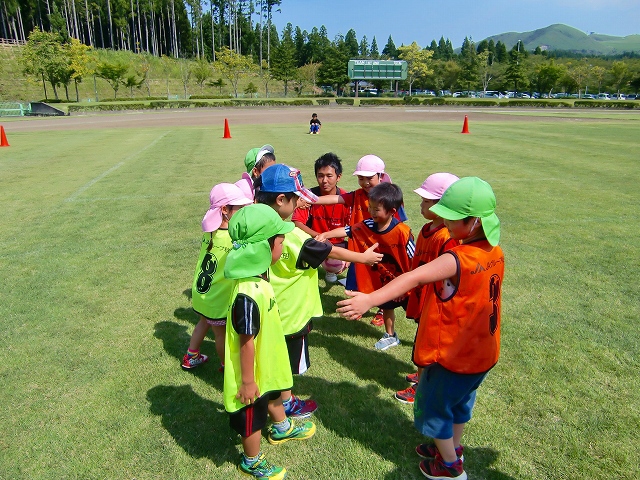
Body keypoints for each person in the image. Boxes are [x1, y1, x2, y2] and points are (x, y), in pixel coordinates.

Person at [336, 177, 504, 480]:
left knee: (434, 408)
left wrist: (369, 299)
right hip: (484, 352)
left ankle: (450, 467)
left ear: (475, 222)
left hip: (453, 356)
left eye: (453, 218)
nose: (447, 223)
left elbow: (412, 278)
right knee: (460, 404)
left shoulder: (458, 259)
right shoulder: (495, 252)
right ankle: (451, 447)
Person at [255, 163, 383, 417]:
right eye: (296, 198)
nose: (300, 203)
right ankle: (285, 403)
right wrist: (363, 258)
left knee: (270, 356)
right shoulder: (292, 236)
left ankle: (276, 395)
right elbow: (331, 251)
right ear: (282, 200)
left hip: (265, 307)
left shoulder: (253, 224)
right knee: (285, 366)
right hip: (291, 315)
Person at [223, 203, 316, 479]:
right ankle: (251, 459)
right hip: (251, 373)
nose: (284, 243)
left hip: (268, 363)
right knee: (251, 418)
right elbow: (246, 341)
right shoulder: (247, 292)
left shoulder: (259, 278)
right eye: (279, 240)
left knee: (274, 391)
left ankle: (281, 427)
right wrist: (248, 381)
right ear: (262, 248)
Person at [318, 182, 415, 350]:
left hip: (406, 281)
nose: (371, 212)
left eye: (376, 209)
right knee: (387, 306)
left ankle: (423, 337)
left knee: (416, 311)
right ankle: (391, 335)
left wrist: (412, 283)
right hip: (386, 280)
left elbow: (415, 259)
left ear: (392, 211)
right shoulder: (368, 224)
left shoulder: (403, 232)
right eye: (370, 207)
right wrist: (326, 234)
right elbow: (348, 230)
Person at [313, 154, 407, 325]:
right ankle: (358, 306)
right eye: (361, 178)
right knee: (359, 280)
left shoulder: (389, 197)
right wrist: (309, 199)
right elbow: (335, 199)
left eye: (369, 178)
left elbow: (399, 226)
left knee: (383, 279)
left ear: (380, 176)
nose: (365, 183)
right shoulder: (356, 195)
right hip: (360, 246)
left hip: (382, 248)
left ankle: (382, 309)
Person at [395, 173, 460, 404]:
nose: (421, 205)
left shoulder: (447, 237)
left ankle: (422, 387)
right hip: (422, 295)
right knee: (421, 338)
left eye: (426, 201)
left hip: (436, 301)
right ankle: (422, 375)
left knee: (428, 343)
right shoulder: (425, 229)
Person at [182, 180, 253, 371]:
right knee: (220, 333)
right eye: (239, 207)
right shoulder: (233, 238)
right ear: (224, 210)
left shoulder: (210, 231)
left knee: (203, 322)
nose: (243, 211)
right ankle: (226, 367)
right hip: (217, 297)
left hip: (202, 293)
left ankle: (191, 355)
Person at [291, 152, 351, 283]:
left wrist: (351, 254)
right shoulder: (307, 197)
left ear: (338, 177)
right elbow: (297, 222)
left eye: (329, 176)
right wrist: (319, 236)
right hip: (314, 241)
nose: (324, 180)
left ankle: (332, 269)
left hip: (336, 244)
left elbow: (355, 228)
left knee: (343, 260)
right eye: (320, 176)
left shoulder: (346, 198)